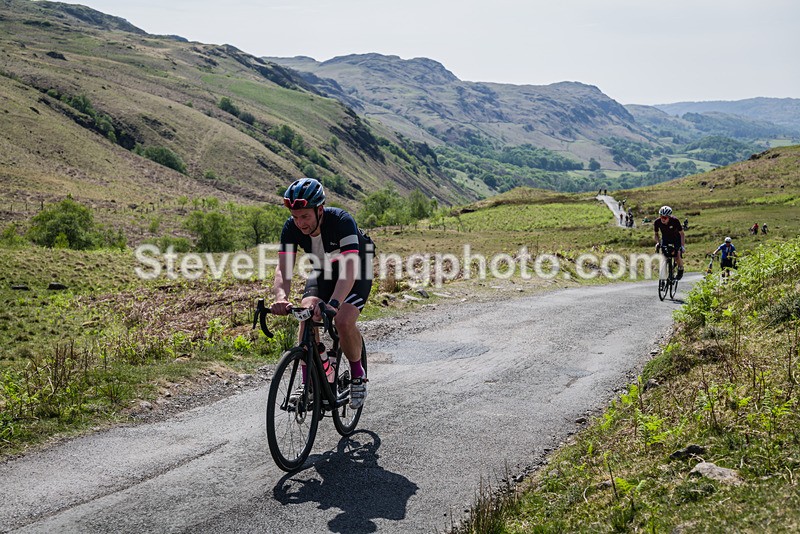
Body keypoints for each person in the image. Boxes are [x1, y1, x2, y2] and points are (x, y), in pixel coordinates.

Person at [270, 178, 374, 408]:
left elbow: (349, 268)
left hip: (356, 268)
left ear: (320, 210)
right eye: (295, 217)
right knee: (306, 315)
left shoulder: (341, 221)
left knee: (343, 320)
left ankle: (358, 375)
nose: (299, 223)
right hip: (324, 270)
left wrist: (334, 302)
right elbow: (283, 268)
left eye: (305, 216)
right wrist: (280, 298)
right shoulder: (291, 228)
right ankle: (309, 384)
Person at [654, 205, 685, 280]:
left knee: (677, 256)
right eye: (661, 216)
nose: (663, 219)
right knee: (664, 257)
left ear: (669, 217)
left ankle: (681, 269)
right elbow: (656, 234)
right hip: (665, 239)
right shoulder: (657, 222)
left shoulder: (675, 221)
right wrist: (658, 243)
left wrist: (682, 246)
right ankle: (664, 273)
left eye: (665, 217)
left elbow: (682, 233)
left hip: (676, 239)